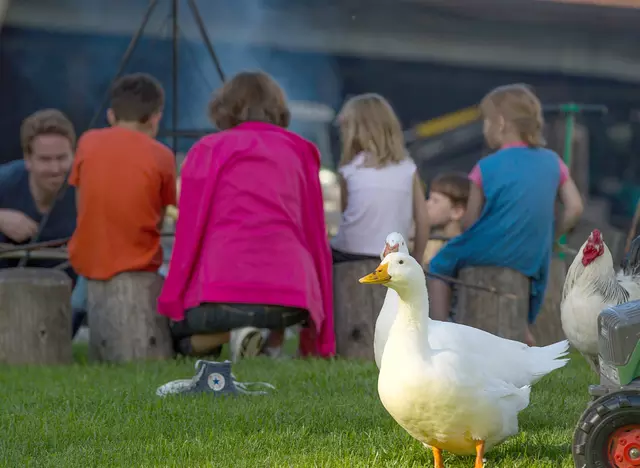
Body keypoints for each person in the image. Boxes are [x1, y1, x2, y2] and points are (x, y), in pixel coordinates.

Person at [158, 71, 335, 359]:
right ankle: (265, 343)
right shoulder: (301, 151)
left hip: (222, 294)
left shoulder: (207, 149)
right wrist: (321, 337)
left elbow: (189, 233)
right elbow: (316, 236)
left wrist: (173, 299)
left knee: (180, 336)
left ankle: (237, 334)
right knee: (268, 310)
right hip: (292, 300)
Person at [428, 84, 584, 346]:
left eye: (486, 121)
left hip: (489, 247)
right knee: (524, 285)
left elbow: (469, 222)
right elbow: (575, 208)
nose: (484, 127)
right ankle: (523, 333)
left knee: (438, 266)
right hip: (533, 255)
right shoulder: (554, 161)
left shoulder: (485, 166)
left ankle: (440, 331)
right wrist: (554, 236)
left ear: (499, 123)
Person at [0, 109, 87, 337]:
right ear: (28, 160)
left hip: (66, 296)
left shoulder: (85, 188)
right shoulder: (6, 181)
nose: (55, 169)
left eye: (62, 158)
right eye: (45, 160)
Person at [330, 93, 430, 264]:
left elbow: (346, 214)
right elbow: (422, 220)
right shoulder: (408, 168)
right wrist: (418, 257)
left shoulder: (349, 170)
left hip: (349, 253)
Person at [423, 172, 470, 265]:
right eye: (429, 198)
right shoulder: (431, 242)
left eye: (435, 201)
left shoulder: (460, 250)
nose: (427, 204)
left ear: (457, 212)